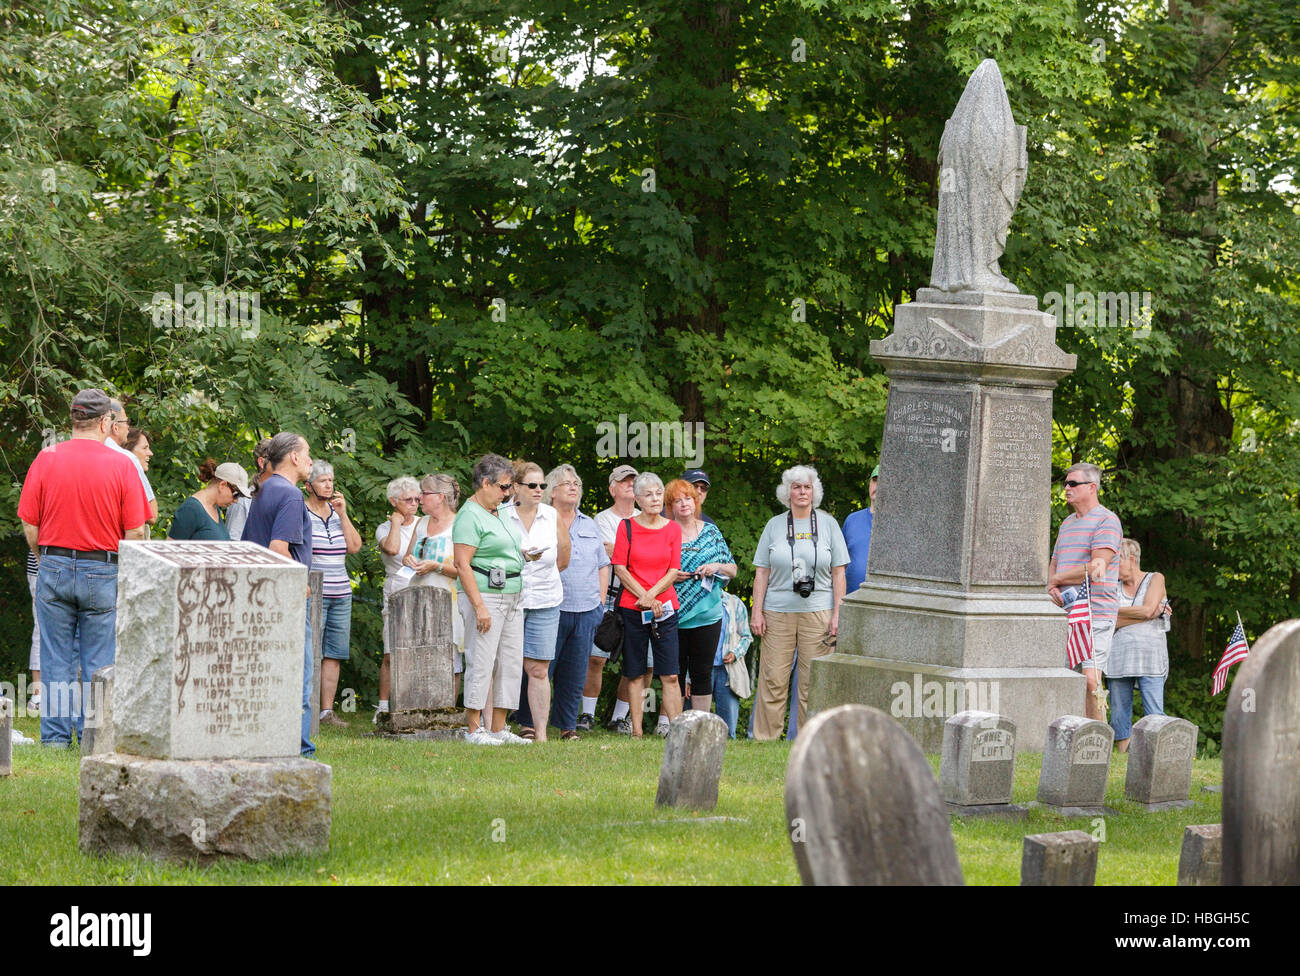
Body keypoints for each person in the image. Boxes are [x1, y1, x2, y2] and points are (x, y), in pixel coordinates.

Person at [18, 388, 151, 746]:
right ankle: (95, 739)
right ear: (106, 422)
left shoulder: (46, 458)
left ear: (73, 419)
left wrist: (46, 559)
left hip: (55, 564)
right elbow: (136, 530)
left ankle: (57, 739)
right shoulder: (124, 464)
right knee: (99, 660)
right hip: (104, 569)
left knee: (56, 657)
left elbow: (30, 523)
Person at [750, 465, 849, 741]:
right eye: (796, 487)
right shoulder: (774, 525)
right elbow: (762, 572)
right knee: (773, 679)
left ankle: (811, 740)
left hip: (818, 612)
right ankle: (765, 740)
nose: (802, 492)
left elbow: (839, 572)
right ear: (787, 492)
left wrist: (838, 614)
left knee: (812, 682)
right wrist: (756, 611)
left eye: (807, 486)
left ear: (814, 491)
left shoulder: (828, 524)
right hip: (777, 612)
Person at [453, 454, 537, 746]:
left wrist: (523, 556)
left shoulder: (498, 511)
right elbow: (462, 563)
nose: (508, 493)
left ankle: (499, 727)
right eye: (503, 487)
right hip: (484, 594)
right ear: (485, 483)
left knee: (511, 662)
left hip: (512, 593)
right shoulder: (469, 515)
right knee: (481, 660)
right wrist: (479, 607)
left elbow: (500, 549)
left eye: (510, 487)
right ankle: (474, 729)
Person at [242, 431, 316, 758]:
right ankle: (300, 749)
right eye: (308, 453)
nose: (312, 460)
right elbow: (277, 548)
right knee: (298, 676)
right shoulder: (290, 495)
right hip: (284, 599)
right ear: (294, 457)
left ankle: (266, 742)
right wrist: (301, 582)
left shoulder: (264, 489)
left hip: (259, 595)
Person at [1048, 462, 1122, 722]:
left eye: (1073, 483)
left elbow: (1096, 567)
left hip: (1095, 613)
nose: (1066, 488)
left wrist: (1058, 578)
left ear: (1092, 488)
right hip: (1065, 611)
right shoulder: (1067, 524)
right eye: (1065, 483)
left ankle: (1098, 735)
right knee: (1068, 679)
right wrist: (1051, 585)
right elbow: (1055, 560)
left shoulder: (1107, 520)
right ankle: (1071, 735)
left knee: (1091, 679)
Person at [612, 472, 683, 738]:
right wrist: (644, 596)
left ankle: (677, 731)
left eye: (658, 493)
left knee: (670, 674)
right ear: (638, 499)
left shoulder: (673, 528)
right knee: (635, 672)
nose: (655, 498)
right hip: (633, 608)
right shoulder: (626, 527)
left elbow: (673, 570)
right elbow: (620, 567)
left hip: (665, 608)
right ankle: (637, 731)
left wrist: (652, 596)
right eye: (648, 494)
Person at [507, 460, 570, 742]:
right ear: (515, 487)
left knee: (539, 668)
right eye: (532, 485)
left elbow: (564, 557)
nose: (538, 490)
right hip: (508, 599)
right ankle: (492, 728)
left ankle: (541, 735)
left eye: (542, 485)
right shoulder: (501, 515)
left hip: (545, 598)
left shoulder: (551, 514)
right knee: (503, 664)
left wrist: (543, 577)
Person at [545, 464, 609, 740]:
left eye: (576, 483)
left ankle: (567, 726)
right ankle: (526, 722)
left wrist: (601, 602)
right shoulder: (541, 521)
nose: (573, 487)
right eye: (566, 483)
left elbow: (603, 564)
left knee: (574, 672)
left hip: (586, 610)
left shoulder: (589, 524)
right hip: (550, 607)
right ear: (552, 491)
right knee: (540, 668)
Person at [666, 478, 736, 721]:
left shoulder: (711, 531)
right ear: (670, 506)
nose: (684, 504)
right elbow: (653, 571)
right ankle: (674, 723)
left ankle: (699, 724)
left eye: (688, 499)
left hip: (708, 615)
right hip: (673, 613)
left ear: (695, 502)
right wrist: (671, 578)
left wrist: (716, 566)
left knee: (702, 673)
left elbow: (733, 569)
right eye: (677, 500)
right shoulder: (666, 532)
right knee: (673, 674)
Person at [305, 461, 363, 728]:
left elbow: (354, 547)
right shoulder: (302, 512)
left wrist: (343, 514)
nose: (328, 485)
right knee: (310, 650)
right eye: (322, 481)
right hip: (313, 592)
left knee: (334, 653)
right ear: (309, 485)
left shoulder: (337, 513)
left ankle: (326, 711)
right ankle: (306, 706)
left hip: (341, 592)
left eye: (330, 480)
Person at [585, 464, 639, 734]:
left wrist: (623, 550)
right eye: (624, 480)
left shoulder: (647, 516)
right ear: (612, 488)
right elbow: (606, 553)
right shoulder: (601, 519)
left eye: (633, 480)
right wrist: (638, 551)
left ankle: (619, 719)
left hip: (639, 597)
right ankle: (585, 715)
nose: (630, 484)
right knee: (596, 658)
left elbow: (617, 551)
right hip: (608, 596)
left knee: (636, 663)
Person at [402, 473, 465, 699]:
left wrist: (436, 566)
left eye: (425, 493)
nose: (419, 497)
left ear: (440, 497)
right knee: (417, 651)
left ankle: (447, 706)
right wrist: (408, 560)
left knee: (449, 653)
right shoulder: (421, 523)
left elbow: (467, 570)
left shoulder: (460, 524)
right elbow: (408, 555)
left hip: (449, 599)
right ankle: (419, 704)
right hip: (417, 595)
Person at [1108, 538, 1170, 752]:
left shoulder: (1155, 578)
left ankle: (1156, 754)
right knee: (1118, 711)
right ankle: (1123, 752)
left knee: (1154, 711)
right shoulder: (1111, 586)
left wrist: (1114, 612)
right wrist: (1150, 613)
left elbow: (1147, 608)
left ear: (1131, 560)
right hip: (1117, 658)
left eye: (1116, 563)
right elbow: (1109, 621)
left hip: (1150, 658)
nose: (1111, 568)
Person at [374, 476, 421, 721]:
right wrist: (395, 522)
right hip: (397, 589)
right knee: (391, 651)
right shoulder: (384, 528)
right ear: (394, 501)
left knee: (419, 649)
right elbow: (392, 549)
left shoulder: (425, 524)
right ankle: (383, 706)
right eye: (407, 500)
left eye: (417, 499)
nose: (414, 503)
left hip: (423, 587)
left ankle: (414, 702)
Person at [167, 460, 252, 540]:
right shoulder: (191, 509)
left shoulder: (215, 508)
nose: (236, 501)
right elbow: (170, 550)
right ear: (222, 485)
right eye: (236, 495)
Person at [106, 398, 158, 526]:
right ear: (115, 427)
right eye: (126, 422)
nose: (128, 426)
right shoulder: (128, 458)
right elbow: (152, 514)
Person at [712, 590, 753, 738]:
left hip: (728, 670)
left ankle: (728, 753)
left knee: (727, 728)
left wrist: (736, 653)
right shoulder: (697, 601)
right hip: (701, 669)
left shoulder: (735, 603)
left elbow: (746, 637)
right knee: (696, 722)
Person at [225, 438, 270, 542]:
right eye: (278, 460)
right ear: (262, 462)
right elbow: (234, 545)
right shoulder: (243, 502)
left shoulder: (283, 499)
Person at [842, 464, 878, 593]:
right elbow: (838, 564)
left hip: (884, 602)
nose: (877, 486)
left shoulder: (899, 524)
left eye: (884, 480)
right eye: (875, 480)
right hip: (849, 599)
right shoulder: (852, 520)